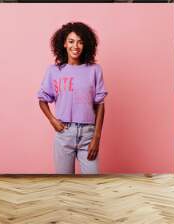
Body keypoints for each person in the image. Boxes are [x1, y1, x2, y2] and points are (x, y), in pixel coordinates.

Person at [37, 22, 107, 174]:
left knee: (91, 184)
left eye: (80, 42)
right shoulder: (54, 71)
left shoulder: (94, 70)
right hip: (64, 134)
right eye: (71, 41)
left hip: (88, 134)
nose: (76, 46)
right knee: (64, 186)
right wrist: (53, 120)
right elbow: (42, 99)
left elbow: (100, 104)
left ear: (86, 45)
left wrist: (97, 137)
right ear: (64, 43)